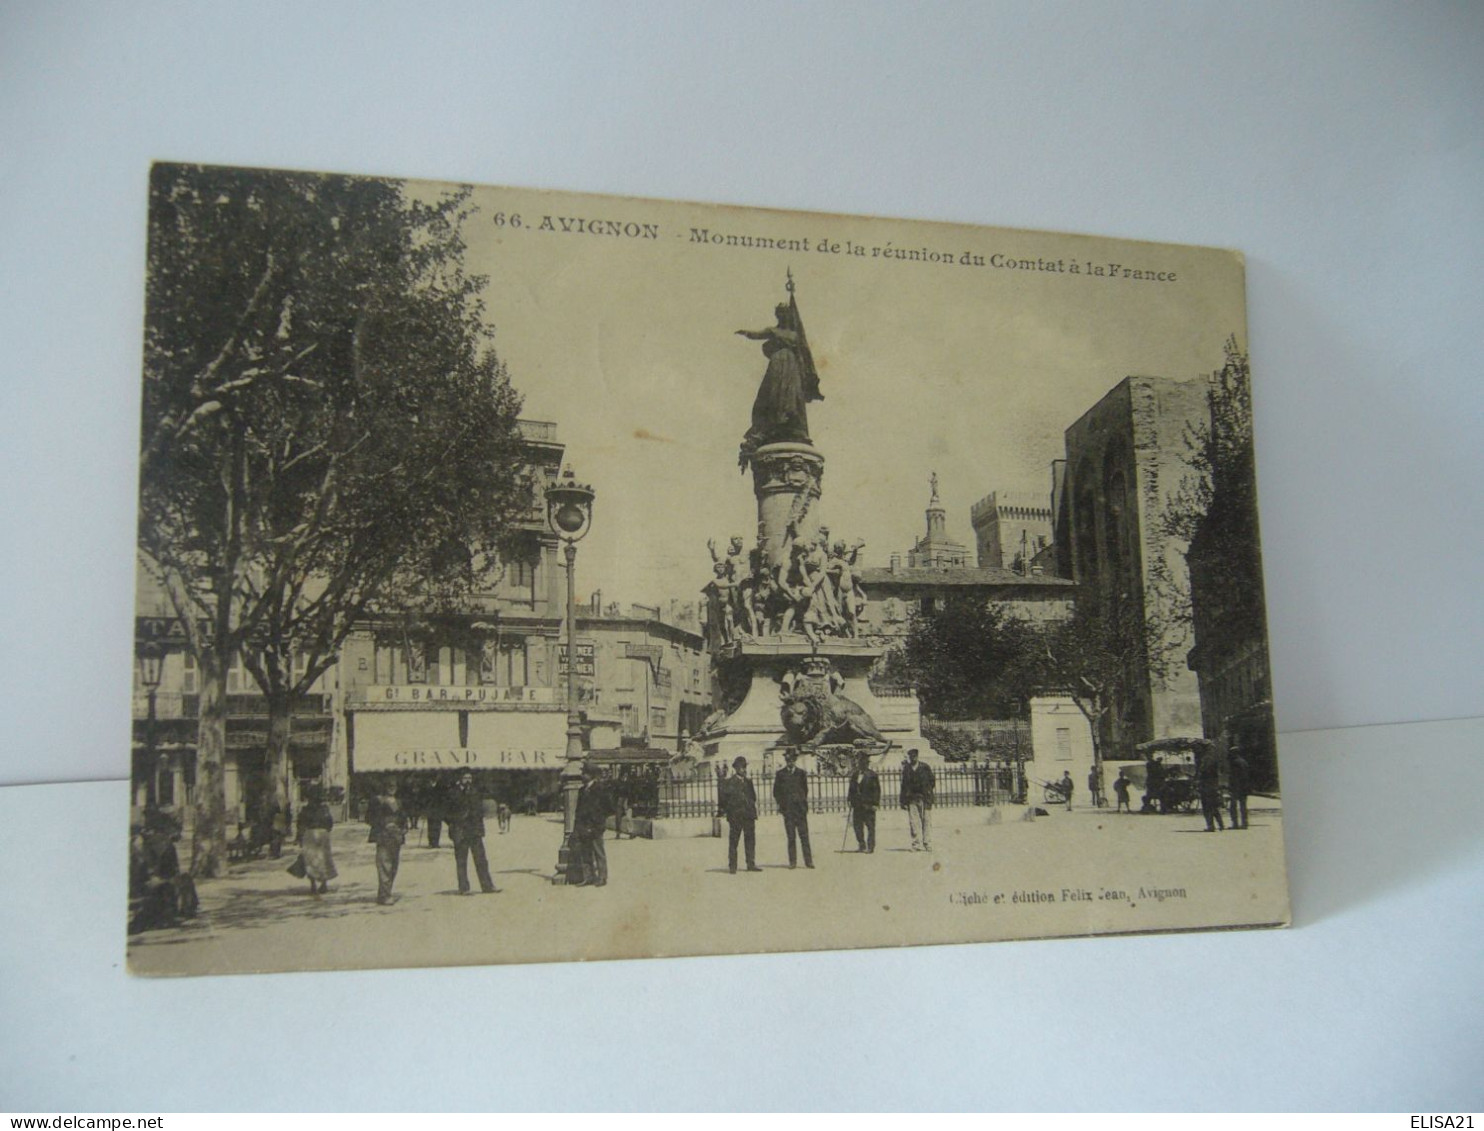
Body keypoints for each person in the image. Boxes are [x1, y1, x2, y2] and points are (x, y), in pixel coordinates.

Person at [448, 771, 498, 894]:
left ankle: (487, 886)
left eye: (470, 777)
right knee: (461, 861)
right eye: (465, 778)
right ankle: (464, 887)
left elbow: (479, 809)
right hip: (460, 831)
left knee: (481, 859)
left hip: (474, 831)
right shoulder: (452, 793)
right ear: (460, 779)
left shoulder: (475, 792)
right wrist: (454, 823)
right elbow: (446, 811)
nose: (468, 780)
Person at [366, 778, 408, 905]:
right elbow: (369, 818)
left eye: (394, 785)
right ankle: (385, 895)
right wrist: (384, 824)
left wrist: (404, 828)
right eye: (389, 785)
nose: (392, 788)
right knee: (384, 865)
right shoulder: (377, 801)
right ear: (384, 787)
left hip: (396, 836)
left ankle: (383, 892)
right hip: (383, 835)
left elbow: (404, 818)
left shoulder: (399, 802)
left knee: (394, 866)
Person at [569, 762, 609, 887]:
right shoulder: (582, 790)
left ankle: (602, 877)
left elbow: (605, 808)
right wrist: (577, 826)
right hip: (583, 826)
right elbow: (578, 810)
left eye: (584, 773)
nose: (581, 776)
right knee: (585, 852)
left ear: (590, 775)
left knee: (598, 852)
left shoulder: (599, 789)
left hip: (595, 826)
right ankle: (588, 877)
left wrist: (597, 824)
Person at [719, 756, 761, 873]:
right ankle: (733, 866)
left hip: (748, 815)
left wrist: (750, 809)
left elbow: (753, 797)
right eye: (742, 767)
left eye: (745, 767)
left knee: (750, 840)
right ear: (736, 768)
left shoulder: (749, 782)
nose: (744, 769)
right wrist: (731, 812)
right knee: (734, 842)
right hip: (736, 816)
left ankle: (751, 864)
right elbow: (725, 800)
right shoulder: (729, 782)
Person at [773, 749, 813, 869]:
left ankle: (808, 861)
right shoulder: (780, 774)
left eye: (792, 759)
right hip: (788, 811)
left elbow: (805, 790)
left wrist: (801, 802)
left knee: (804, 836)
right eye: (788, 759)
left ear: (795, 760)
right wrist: (782, 805)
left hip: (800, 810)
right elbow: (776, 792)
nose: (790, 761)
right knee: (791, 837)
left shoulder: (801, 773)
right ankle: (792, 862)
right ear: (786, 760)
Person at [294, 786, 337, 897]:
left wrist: (298, 838)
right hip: (323, 834)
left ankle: (313, 884)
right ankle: (324, 884)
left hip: (309, 834)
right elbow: (330, 823)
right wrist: (326, 831)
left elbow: (300, 825)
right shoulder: (325, 809)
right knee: (324, 859)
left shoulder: (305, 810)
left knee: (311, 860)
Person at [900, 748, 936, 851]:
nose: (913, 758)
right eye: (911, 756)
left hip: (924, 798)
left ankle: (927, 843)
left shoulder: (925, 767)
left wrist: (927, 791)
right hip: (912, 799)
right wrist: (903, 800)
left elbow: (932, 781)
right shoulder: (907, 769)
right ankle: (916, 844)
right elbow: (903, 785)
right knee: (913, 822)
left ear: (917, 756)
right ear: (909, 757)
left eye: (914, 756)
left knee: (926, 821)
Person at [846, 751, 881, 853]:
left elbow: (877, 791)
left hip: (868, 805)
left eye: (863, 762)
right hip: (857, 805)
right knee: (857, 827)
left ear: (866, 763)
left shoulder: (872, 775)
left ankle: (870, 847)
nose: (860, 764)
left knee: (870, 827)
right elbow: (851, 789)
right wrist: (849, 799)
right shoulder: (855, 775)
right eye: (859, 761)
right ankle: (861, 844)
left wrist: (875, 804)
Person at [1198, 750, 1225, 832]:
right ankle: (1221, 825)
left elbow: (1202, 780)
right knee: (1215, 808)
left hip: (1207, 791)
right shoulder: (1214, 771)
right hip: (1214, 790)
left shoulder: (1205, 772)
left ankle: (1210, 826)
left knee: (1207, 809)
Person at [1227, 743, 1251, 830]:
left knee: (1233, 806)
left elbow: (1234, 776)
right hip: (1244, 787)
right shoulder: (1244, 762)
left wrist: (1231, 786)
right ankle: (1245, 823)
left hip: (1237, 788)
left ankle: (1235, 824)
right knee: (1243, 806)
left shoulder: (1235, 762)